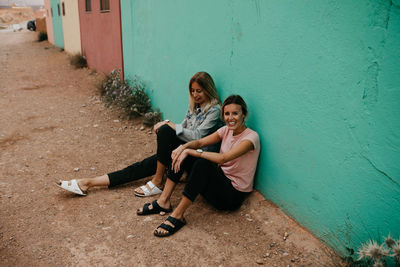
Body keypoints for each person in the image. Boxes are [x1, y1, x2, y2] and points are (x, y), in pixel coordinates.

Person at [57, 72, 222, 197]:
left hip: (199, 159)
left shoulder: (214, 110)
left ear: (208, 90)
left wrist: (168, 125)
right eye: (192, 91)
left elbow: (197, 137)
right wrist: (170, 126)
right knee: (143, 166)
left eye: (199, 91)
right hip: (184, 151)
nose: (195, 95)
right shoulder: (195, 106)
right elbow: (183, 128)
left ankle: (158, 181)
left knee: (165, 131)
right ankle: (88, 183)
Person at [136, 95, 260, 237]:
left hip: (231, 196)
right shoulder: (226, 130)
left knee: (203, 162)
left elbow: (223, 158)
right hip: (218, 184)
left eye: (235, 113)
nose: (230, 118)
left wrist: (192, 151)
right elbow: (200, 142)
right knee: (187, 154)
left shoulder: (251, 138)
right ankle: (163, 201)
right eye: (227, 114)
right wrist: (184, 148)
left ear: (244, 114)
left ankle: (178, 215)